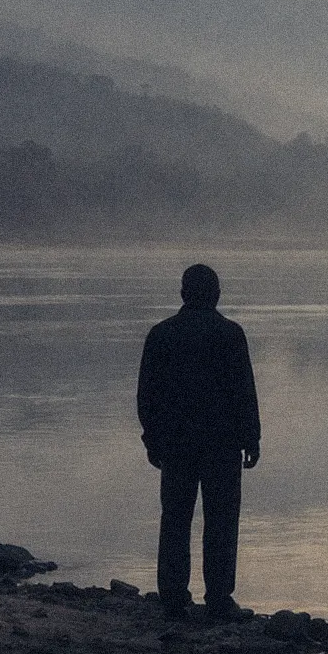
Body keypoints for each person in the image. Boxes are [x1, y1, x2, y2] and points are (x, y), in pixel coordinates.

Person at [137, 264, 260, 621]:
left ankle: (173, 597)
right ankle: (219, 598)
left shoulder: (161, 335)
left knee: (175, 519)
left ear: (182, 294)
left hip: (176, 444)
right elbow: (244, 393)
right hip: (222, 445)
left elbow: (147, 395)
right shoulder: (230, 334)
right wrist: (251, 438)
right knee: (221, 521)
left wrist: (152, 439)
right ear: (217, 294)